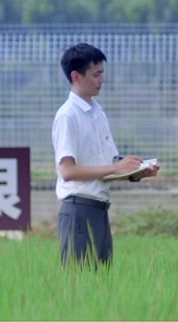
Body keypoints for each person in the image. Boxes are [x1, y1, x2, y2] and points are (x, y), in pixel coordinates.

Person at [52, 43, 159, 266]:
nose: (102, 80)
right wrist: (115, 168)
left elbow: (110, 166)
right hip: (78, 211)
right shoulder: (67, 116)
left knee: (101, 289)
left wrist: (136, 172)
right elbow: (68, 171)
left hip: (100, 210)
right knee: (79, 286)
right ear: (76, 76)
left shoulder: (97, 113)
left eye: (102, 73)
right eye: (96, 74)